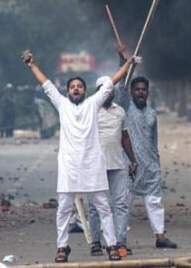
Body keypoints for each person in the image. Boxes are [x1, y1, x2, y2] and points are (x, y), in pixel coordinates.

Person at [22, 49, 134, 263]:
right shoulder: (62, 104)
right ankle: (62, 247)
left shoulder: (93, 103)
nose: (76, 89)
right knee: (64, 208)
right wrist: (32, 65)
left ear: (85, 90)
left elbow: (111, 82)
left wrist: (127, 65)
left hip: (93, 165)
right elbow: (46, 85)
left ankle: (111, 245)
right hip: (69, 167)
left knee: (103, 206)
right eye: (72, 87)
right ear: (67, 92)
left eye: (79, 86)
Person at [115, 47, 178, 251]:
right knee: (123, 204)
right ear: (132, 92)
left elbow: (154, 141)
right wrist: (124, 64)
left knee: (155, 202)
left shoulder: (151, 114)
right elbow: (120, 89)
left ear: (147, 93)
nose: (140, 92)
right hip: (129, 166)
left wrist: (157, 164)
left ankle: (160, 237)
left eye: (143, 89)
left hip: (150, 166)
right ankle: (120, 241)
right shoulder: (126, 108)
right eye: (137, 89)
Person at [88, 76, 138, 258]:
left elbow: (125, 138)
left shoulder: (120, 112)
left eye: (111, 90)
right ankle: (95, 242)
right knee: (95, 206)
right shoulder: (90, 110)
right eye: (104, 89)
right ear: (98, 91)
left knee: (121, 204)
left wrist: (133, 160)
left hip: (118, 164)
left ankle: (120, 242)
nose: (108, 92)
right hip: (95, 165)